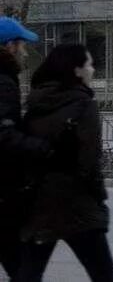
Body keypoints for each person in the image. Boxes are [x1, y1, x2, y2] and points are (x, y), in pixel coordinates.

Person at [17, 45, 113, 282]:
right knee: (104, 273)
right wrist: (98, 198)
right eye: (89, 65)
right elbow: (90, 161)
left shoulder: (36, 103)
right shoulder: (84, 106)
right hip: (77, 204)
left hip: (41, 201)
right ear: (76, 71)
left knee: (29, 272)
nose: (92, 70)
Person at [0, 17, 52, 281]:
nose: (23, 51)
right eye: (21, 45)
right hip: (4, 194)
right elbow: (4, 134)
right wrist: (41, 147)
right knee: (23, 268)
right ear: (9, 46)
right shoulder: (4, 82)